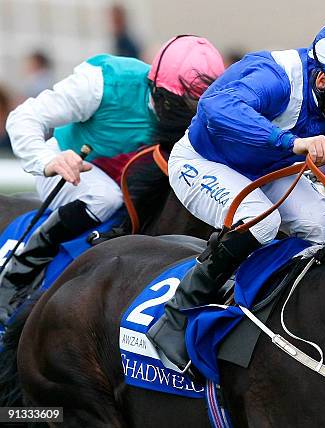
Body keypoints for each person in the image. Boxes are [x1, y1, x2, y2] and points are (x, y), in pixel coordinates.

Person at [147, 12, 325, 373]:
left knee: (323, 226)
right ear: (321, 79)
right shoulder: (276, 77)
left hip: (267, 170)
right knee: (262, 222)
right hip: (204, 161)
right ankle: (176, 316)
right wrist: (292, 141)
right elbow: (215, 106)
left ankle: (285, 319)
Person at [0, 35, 225, 324]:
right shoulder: (102, 82)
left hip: (132, 188)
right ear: (157, 89)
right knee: (105, 197)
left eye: (195, 107)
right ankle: (19, 270)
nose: (186, 116)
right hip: (71, 171)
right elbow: (24, 117)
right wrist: (47, 160)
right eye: (180, 105)